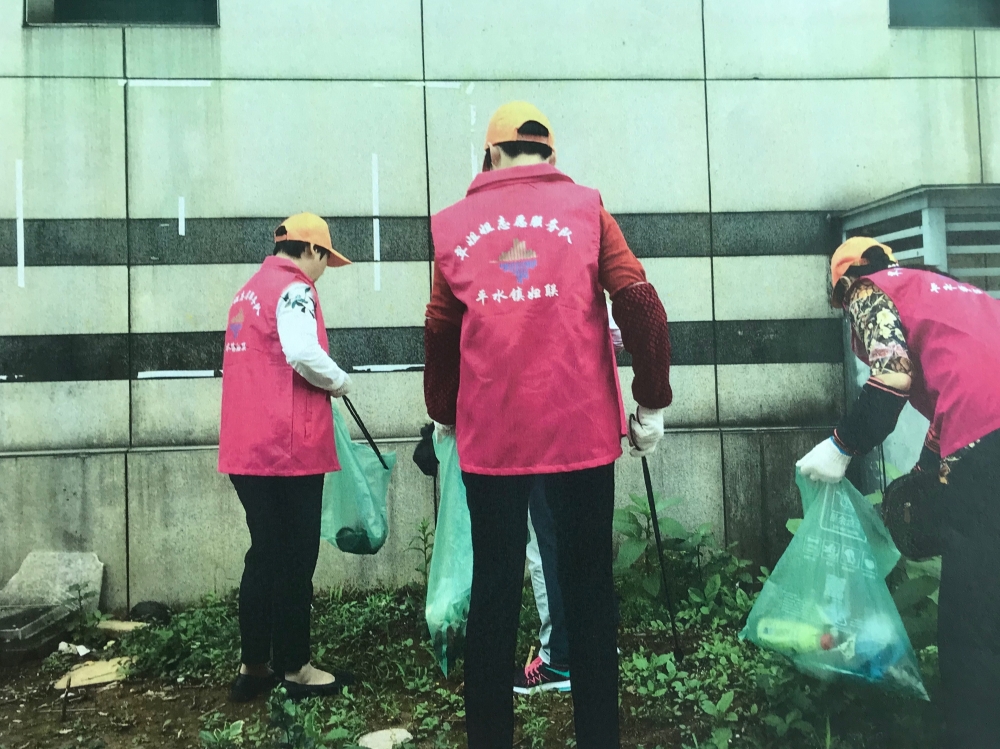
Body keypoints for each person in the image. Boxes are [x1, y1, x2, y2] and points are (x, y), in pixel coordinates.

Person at [423, 101, 672, 749]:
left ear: (489, 156)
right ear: (550, 155)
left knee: (494, 593)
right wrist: (650, 403)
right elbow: (640, 302)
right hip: (581, 433)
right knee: (590, 591)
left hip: (491, 442)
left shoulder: (451, 224)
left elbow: (440, 333)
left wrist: (443, 415)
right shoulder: (587, 208)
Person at [796, 237, 1000, 749]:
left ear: (843, 286)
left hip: (987, 440)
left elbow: (892, 377)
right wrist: (928, 468)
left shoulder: (867, 291)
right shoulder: (951, 292)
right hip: (985, 433)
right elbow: (965, 387)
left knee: (971, 615)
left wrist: (841, 446)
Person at [218, 213, 357, 702]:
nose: (323, 272)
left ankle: (254, 666)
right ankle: (296, 668)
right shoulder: (295, 288)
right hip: (287, 449)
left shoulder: (247, 291)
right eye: (326, 261)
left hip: (245, 447)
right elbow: (301, 352)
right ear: (313, 251)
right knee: (296, 556)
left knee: (265, 553)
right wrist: (340, 380)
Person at [515, 304, 624, 695]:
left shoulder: (522, 282)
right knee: (587, 542)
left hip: (541, 427)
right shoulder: (578, 268)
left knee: (547, 543)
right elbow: (619, 333)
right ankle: (595, 647)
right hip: (589, 427)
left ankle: (559, 659)